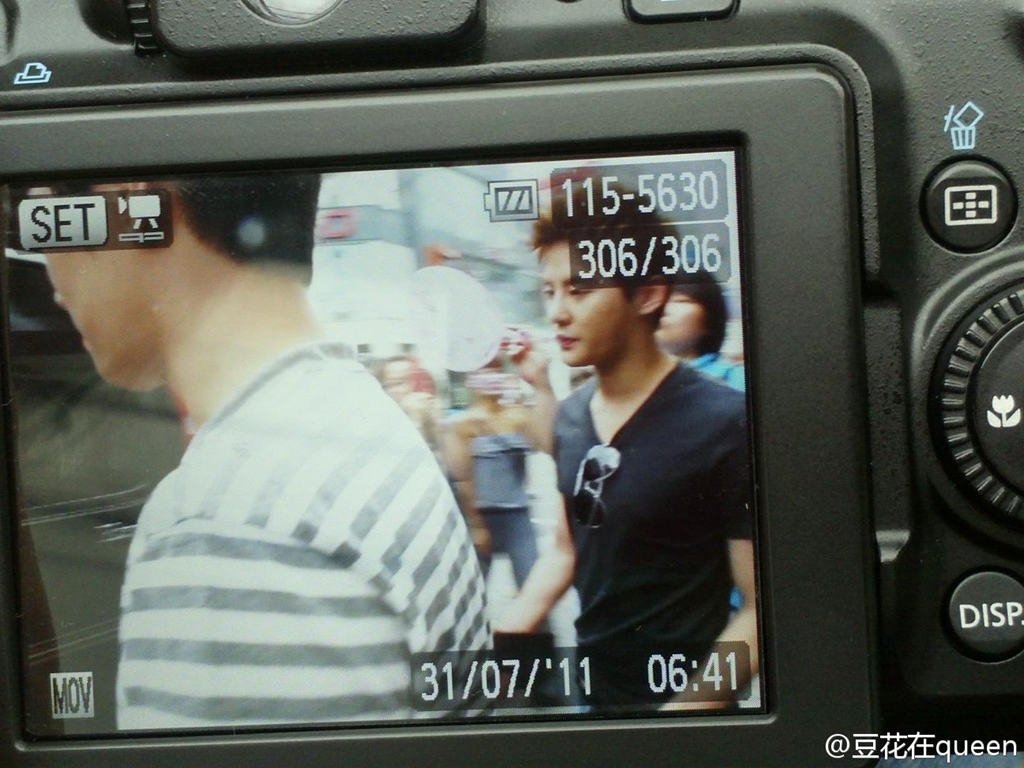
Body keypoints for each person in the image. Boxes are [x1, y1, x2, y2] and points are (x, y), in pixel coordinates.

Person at [39, 175, 489, 729]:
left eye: (50, 223)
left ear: (129, 202)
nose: (52, 277)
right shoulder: (355, 421)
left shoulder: (225, 523)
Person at [497, 182, 758, 709]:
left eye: (579, 290)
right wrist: (511, 627)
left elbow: (760, 608)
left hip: (687, 716)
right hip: (594, 702)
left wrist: (685, 714)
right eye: (549, 291)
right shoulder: (571, 418)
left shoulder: (725, 421)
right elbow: (568, 548)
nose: (557, 312)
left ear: (649, 294)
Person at [443, 359, 538, 587]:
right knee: (473, 588)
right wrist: (476, 525)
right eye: (484, 372)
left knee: (532, 584)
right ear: (471, 381)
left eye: (497, 371)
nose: (492, 377)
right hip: (482, 515)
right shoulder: (462, 424)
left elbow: (540, 443)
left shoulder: (518, 417)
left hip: (518, 515)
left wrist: (526, 402)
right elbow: (463, 479)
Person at [656, 276, 746, 391]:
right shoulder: (638, 381)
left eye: (680, 300)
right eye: (659, 301)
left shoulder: (735, 379)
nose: (663, 310)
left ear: (710, 319)